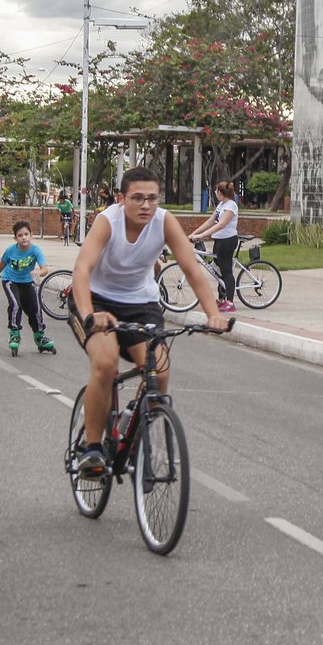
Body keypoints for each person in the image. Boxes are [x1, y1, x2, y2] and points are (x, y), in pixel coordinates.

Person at [68, 167, 231, 479]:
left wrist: (213, 314)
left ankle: (130, 427)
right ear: (121, 199)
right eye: (137, 198)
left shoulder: (164, 221)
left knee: (160, 373)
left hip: (140, 303)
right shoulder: (108, 221)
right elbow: (82, 270)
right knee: (105, 364)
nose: (145, 205)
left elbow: (193, 270)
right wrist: (90, 315)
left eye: (152, 199)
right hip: (96, 300)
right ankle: (91, 448)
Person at [0, 220, 55, 354]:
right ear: (15, 238)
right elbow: (2, 263)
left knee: (35, 308)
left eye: (26, 234)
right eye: (20, 235)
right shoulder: (10, 250)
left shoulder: (35, 250)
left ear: (31, 235)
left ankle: (40, 337)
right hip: (10, 280)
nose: (23, 237)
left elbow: (45, 269)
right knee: (15, 305)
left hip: (27, 281)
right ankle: (14, 335)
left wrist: (38, 272)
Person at [185, 179, 241, 312]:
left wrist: (201, 236)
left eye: (216, 190)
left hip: (228, 241)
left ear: (221, 192)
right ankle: (222, 299)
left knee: (226, 271)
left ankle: (230, 302)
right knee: (218, 270)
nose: (215, 192)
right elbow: (211, 221)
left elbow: (221, 224)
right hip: (219, 241)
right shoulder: (221, 205)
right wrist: (194, 233)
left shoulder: (231, 205)